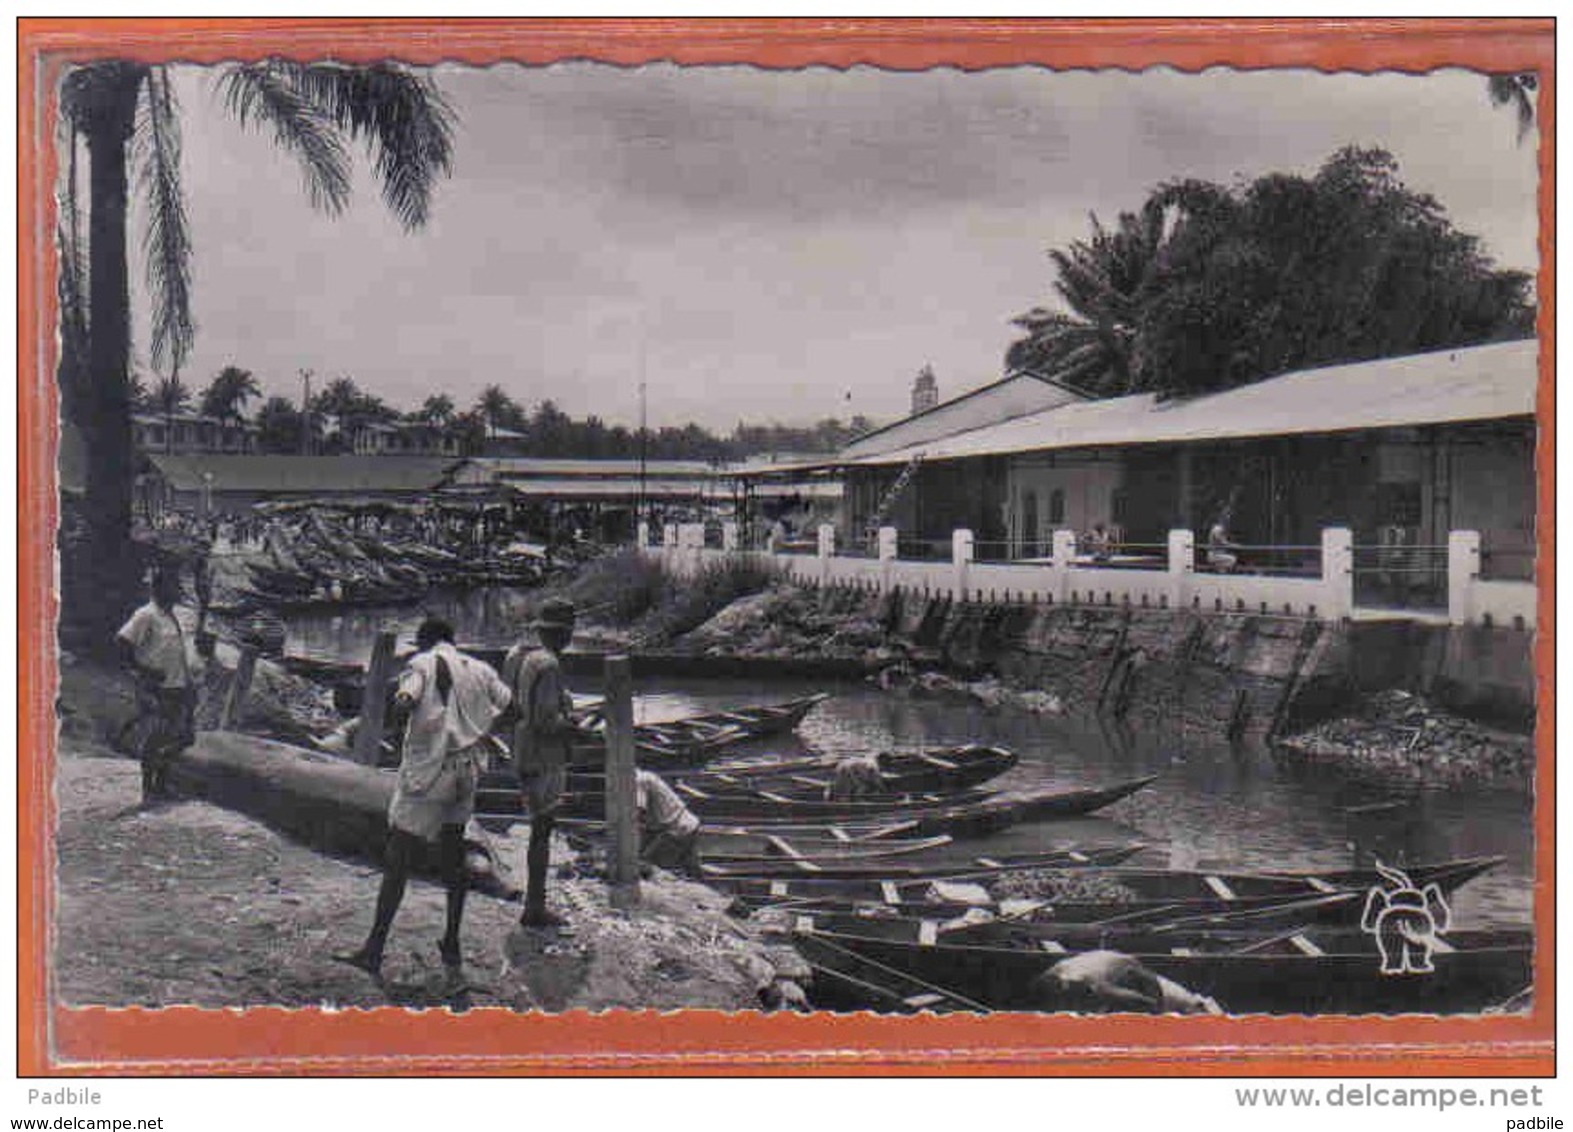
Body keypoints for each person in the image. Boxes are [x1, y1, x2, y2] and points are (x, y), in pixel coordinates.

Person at [335, 617, 511, 980]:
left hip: (431, 772)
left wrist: (401, 726)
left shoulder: (421, 664)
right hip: (468, 771)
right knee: (453, 853)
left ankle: (374, 949)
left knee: (398, 855)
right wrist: (480, 732)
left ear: (424, 641)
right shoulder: (480, 668)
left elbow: (405, 700)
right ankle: (451, 941)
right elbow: (514, 709)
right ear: (452, 639)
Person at [501, 597, 580, 928]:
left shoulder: (517, 656)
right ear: (563, 634)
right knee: (542, 828)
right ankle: (535, 906)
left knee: (538, 826)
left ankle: (534, 902)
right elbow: (546, 722)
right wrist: (575, 728)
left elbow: (510, 706)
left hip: (520, 750)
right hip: (542, 755)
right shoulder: (548, 665)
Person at [115, 566, 197, 802]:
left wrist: (188, 683)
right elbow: (122, 643)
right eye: (172, 588)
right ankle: (149, 788)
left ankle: (162, 784)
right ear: (159, 589)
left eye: (177, 588)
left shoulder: (171, 616)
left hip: (178, 685)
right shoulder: (146, 614)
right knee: (157, 735)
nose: (177, 593)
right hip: (158, 687)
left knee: (180, 736)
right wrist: (143, 671)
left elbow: (176, 652)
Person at [636, 768, 704, 877]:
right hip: (688, 824)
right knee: (691, 870)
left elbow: (637, 813)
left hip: (676, 829)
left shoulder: (638, 781)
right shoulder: (647, 775)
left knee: (646, 865)